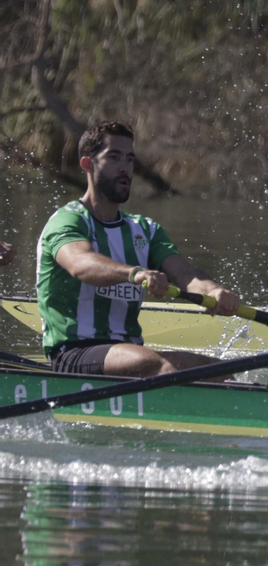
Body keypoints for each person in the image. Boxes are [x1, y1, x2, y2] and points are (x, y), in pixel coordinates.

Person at [35, 121, 241, 376]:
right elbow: (80, 264)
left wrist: (215, 291)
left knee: (218, 370)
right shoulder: (68, 220)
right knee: (176, 366)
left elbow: (185, 274)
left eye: (130, 159)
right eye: (114, 157)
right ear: (88, 165)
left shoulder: (145, 229)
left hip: (128, 353)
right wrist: (135, 273)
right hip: (74, 352)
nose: (125, 168)